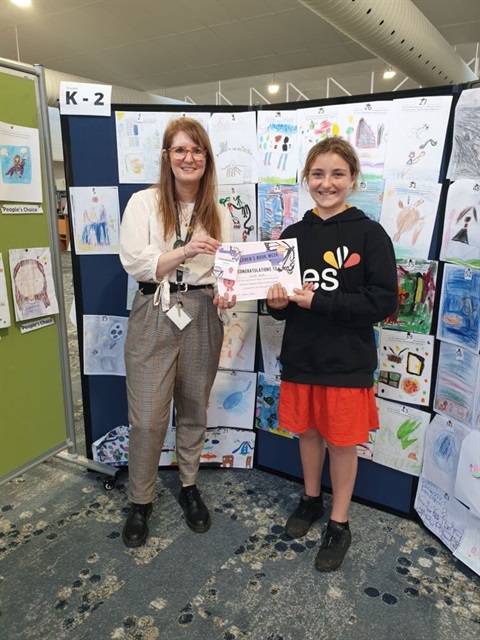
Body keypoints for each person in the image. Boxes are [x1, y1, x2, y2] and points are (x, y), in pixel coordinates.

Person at [267, 137, 398, 572]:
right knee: (306, 433)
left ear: (353, 179)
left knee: (342, 441)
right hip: (301, 356)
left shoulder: (370, 232)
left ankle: (339, 521)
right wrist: (277, 302)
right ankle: (310, 498)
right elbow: (280, 306)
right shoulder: (291, 236)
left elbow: (381, 303)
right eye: (318, 174)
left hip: (347, 360)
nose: (327, 183)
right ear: (306, 180)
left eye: (337, 174)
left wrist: (318, 302)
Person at [119, 117, 235, 547]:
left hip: (202, 311)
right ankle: (140, 500)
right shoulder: (144, 203)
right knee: (148, 419)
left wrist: (227, 291)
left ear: (206, 159)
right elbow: (136, 262)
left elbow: (229, 272)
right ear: (167, 157)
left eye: (197, 150)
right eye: (180, 150)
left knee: (193, 409)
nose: (189, 158)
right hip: (155, 308)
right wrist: (185, 250)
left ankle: (188, 487)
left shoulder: (218, 212)